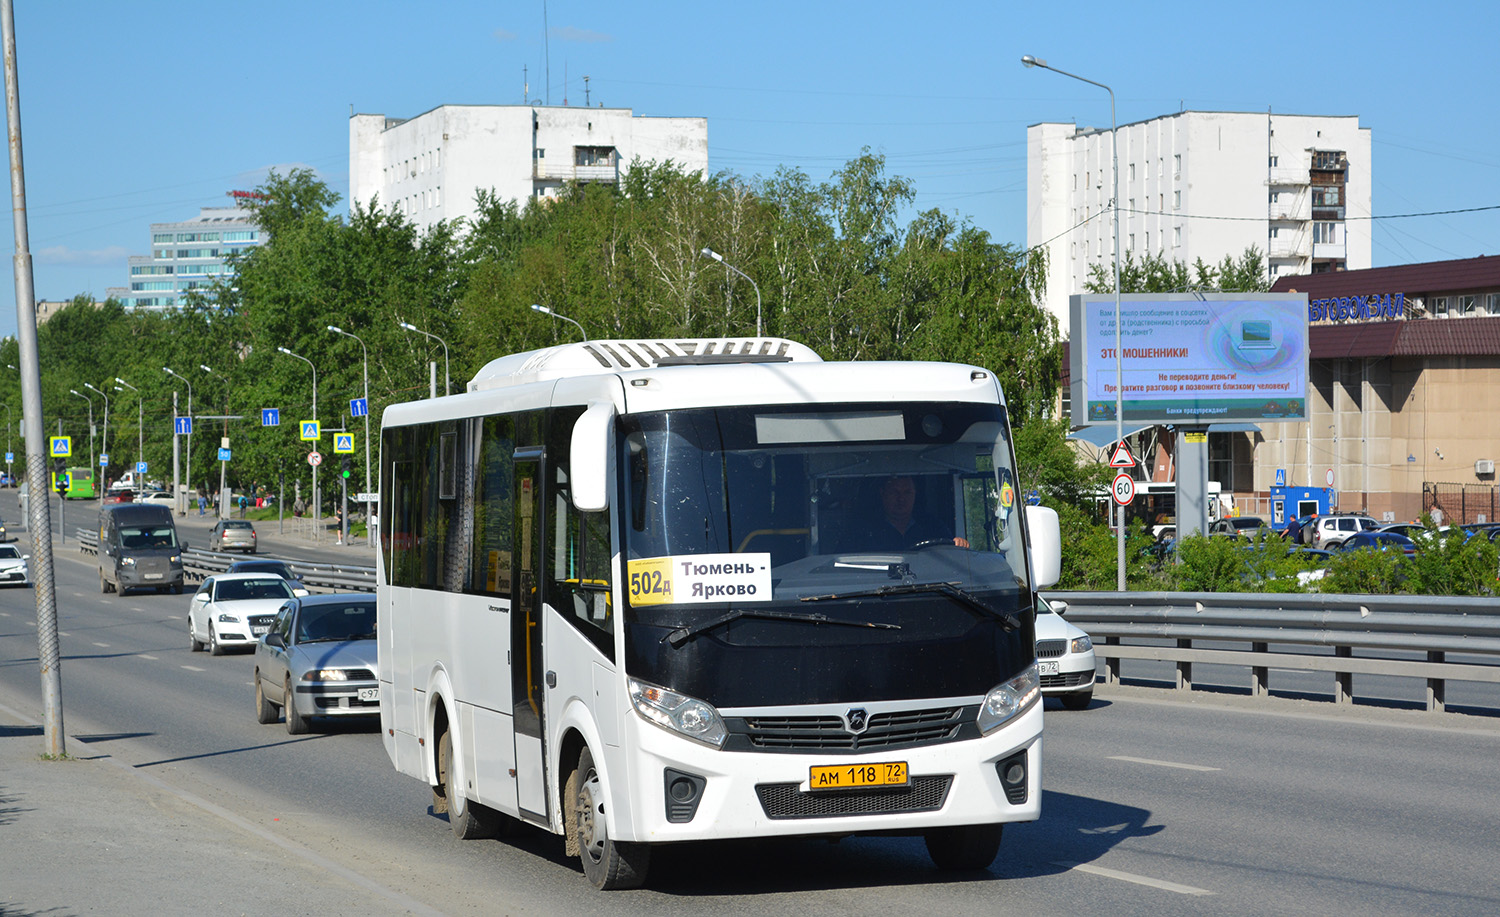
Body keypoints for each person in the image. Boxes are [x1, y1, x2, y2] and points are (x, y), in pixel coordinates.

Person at [863, 475, 969, 551]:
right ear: (883, 493)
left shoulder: (934, 527)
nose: (901, 499)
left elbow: (951, 554)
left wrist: (958, 543)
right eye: (894, 492)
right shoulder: (865, 532)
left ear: (915, 494)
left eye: (907, 492)